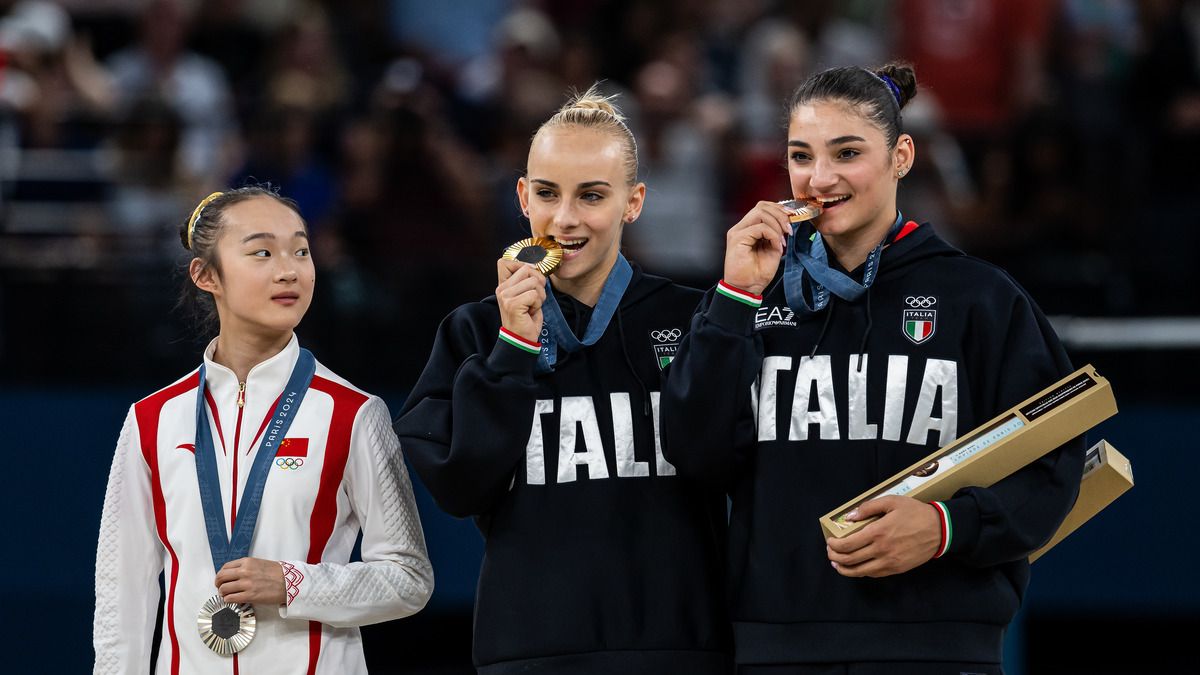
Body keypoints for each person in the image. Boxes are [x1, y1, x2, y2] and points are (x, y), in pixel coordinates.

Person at [661, 64, 1084, 674]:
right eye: (800, 156)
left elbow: (1052, 461)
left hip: (939, 649)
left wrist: (947, 526)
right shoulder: (748, 298)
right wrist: (733, 299)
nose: (820, 178)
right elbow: (694, 453)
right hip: (779, 650)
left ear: (902, 156)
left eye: (848, 152)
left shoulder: (979, 299)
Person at [394, 86, 731, 674]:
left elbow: (729, 460)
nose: (565, 218)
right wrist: (513, 347)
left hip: (679, 649)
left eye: (592, 196)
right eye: (547, 193)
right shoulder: (474, 331)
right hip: (530, 651)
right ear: (522, 196)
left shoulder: (696, 318)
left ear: (634, 202)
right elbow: (460, 486)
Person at [93, 186, 433, 674]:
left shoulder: (353, 414)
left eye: (301, 250)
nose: (289, 269)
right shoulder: (153, 419)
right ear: (206, 275)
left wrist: (295, 584)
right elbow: (121, 592)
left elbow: (409, 578)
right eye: (262, 252)